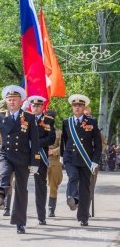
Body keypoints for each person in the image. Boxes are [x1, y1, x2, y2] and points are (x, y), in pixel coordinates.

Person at [0, 85, 40, 234]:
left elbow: (35, 141)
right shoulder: (0, 116)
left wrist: (35, 162)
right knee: (4, 174)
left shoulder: (29, 117)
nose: (11, 102)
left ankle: (20, 222)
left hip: (23, 157)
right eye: (9, 99)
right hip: (6, 154)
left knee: (21, 190)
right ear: (5, 101)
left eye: (14, 99)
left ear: (21, 101)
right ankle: (0, 193)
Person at [60, 94, 102, 226]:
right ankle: (72, 197)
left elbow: (98, 144)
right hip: (70, 158)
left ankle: (83, 217)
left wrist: (95, 160)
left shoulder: (92, 122)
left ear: (84, 107)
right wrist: (62, 156)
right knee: (73, 176)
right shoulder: (67, 122)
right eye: (75, 105)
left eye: (80, 105)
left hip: (86, 159)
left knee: (85, 188)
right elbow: (64, 141)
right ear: (72, 107)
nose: (77, 107)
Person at [27, 96, 56, 225]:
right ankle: (18, 215)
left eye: (38, 106)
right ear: (30, 107)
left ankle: (41, 216)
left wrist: (36, 143)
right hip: (25, 155)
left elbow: (51, 138)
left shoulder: (48, 120)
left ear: (42, 107)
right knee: (20, 185)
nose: (36, 107)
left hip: (40, 156)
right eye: (33, 106)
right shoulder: (24, 118)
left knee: (40, 187)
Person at [46, 110, 63, 218]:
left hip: (54, 161)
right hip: (40, 160)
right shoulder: (38, 130)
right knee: (40, 186)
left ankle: (51, 209)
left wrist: (54, 151)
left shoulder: (59, 133)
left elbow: (64, 147)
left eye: (51, 117)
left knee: (53, 185)